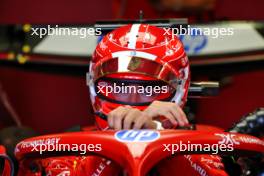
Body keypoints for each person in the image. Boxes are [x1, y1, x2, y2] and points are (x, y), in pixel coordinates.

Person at [18, 24, 228, 176]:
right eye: (119, 87)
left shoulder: (211, 141)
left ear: (180, 89)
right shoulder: (62, 146)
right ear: (93, 85)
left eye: (150, 89)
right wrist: (115, 142)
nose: (131, 104)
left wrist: (162, 139)